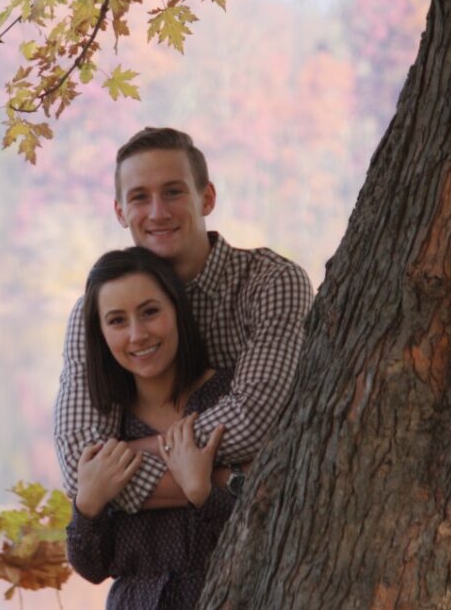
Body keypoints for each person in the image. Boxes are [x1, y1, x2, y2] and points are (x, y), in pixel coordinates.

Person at [55, 127, 314, 512]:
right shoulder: (98, 311)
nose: (158, 212)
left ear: (206, 198)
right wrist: (227, 481)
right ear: (120, 212)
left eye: (173, 192)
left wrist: (121, 461)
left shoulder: (271, 282)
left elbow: (256, 420)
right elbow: (80, 465)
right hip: (150, 557)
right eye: (140, 197)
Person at [66, 247, 235, 608]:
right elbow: (93, 568)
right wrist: (88, 506)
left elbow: (276, 526)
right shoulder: (109, 431)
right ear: (101, 333)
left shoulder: (228, 400)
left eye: (150, 312)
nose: (137, 334)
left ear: (177, 309)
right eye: (117, 321)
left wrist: (204, 493)